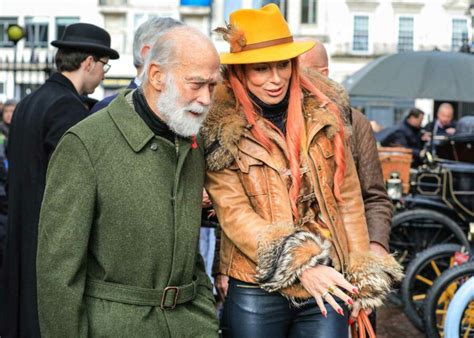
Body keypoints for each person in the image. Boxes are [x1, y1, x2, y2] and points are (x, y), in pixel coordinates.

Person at [203, 4, 403, 337]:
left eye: (283, 65)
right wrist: (300, 263)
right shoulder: (221, 129)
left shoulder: (325, 115)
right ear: (241, 72)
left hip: (329, 280)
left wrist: (361, 271)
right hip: (257, 284)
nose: (276, 78)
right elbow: (234, 213)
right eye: (261, 69)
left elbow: (349, 199)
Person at [36, 24, 220, 336]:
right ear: (158, 76)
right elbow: (59, 271)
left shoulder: (192, 139)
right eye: (196, 84)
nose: (205, 99)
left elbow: (189, 252)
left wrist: (202, 310)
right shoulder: (87, 143)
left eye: (212, 86)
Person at [0, 23, 119, 337]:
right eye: (104, 65)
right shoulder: (66, 107)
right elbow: (75, 180)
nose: (104, 74)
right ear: (89, 62)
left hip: (21, 229)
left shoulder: (29, 101)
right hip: (48, 237)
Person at [91, 17, 184, 113]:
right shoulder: (108, 110)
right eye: (177, 53)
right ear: (148, 54)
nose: (186, 62)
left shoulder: (185, 110)